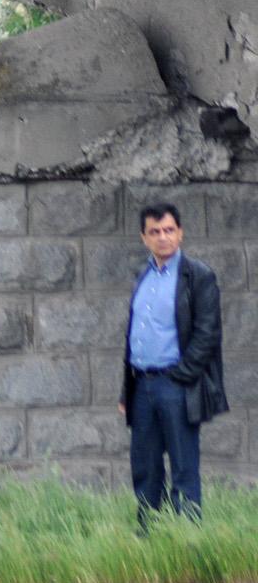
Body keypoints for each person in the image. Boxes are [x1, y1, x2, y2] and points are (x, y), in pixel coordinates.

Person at [121, 202, 227, 525]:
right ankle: (148, 535)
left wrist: (181, 378)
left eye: (169, 230)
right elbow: (134, 337)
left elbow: (207, 334)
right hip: (141, 386)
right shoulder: (143, 277)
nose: (163, 237)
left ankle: (187, 539)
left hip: (176, 385)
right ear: (144, 238)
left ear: (180, 233)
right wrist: (126, 392)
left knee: (183, 467)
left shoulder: (198, 276)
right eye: (155, 232)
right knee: (145, 466)